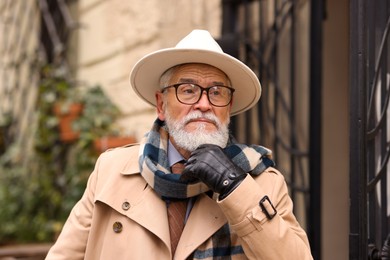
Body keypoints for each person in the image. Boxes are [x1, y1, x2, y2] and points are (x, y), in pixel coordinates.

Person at [46, 29, 313, 260]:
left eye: (217, 92)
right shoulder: (110, 171)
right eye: (188, 90)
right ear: (161, 105)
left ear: (228, 108)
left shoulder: (263, 182)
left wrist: (234, 185)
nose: (204, 104)